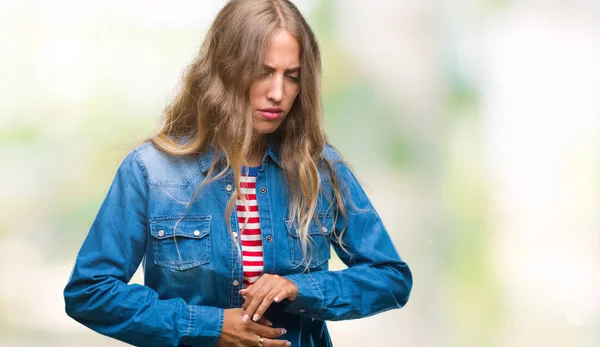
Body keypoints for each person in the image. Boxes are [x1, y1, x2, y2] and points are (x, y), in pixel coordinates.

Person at [63, 0, 412, 346]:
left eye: (291, 77)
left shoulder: (320, 169)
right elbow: (90, 292)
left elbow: (391, 278)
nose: (278, 93)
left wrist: (299, 288)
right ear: (226, 70)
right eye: (263, 72)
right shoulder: (151, 171)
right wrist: (209, 327)